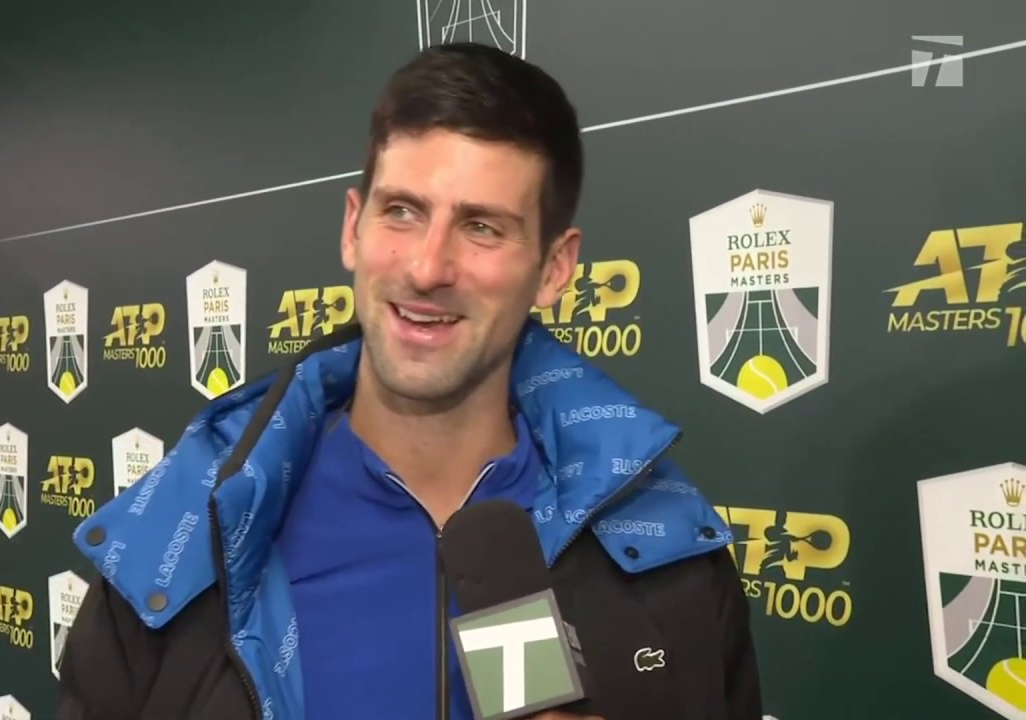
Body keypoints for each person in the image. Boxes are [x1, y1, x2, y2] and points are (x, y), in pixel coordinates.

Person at [57, 42, 763, 720]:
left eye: (482, 227)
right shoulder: (181, 543)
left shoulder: (670, 558)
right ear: (353, 228)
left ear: (554, 269)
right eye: (402, 211)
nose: (427, 268)